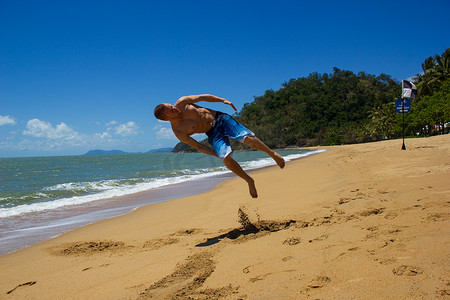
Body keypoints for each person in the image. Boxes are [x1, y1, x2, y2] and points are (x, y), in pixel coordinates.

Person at [154, 94, 285, 198]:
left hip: (221, 118)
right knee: (226, 158)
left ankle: (272, 154)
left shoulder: (182, 102)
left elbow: (203, 97)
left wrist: (222, 100)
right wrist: (217, 155)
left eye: (171, 105)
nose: (174, 107)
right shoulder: (179, 131)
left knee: (247, 138)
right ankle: (249, 180)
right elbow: (199, 146)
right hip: (212, 132)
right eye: (171, 110)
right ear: (167, 119)